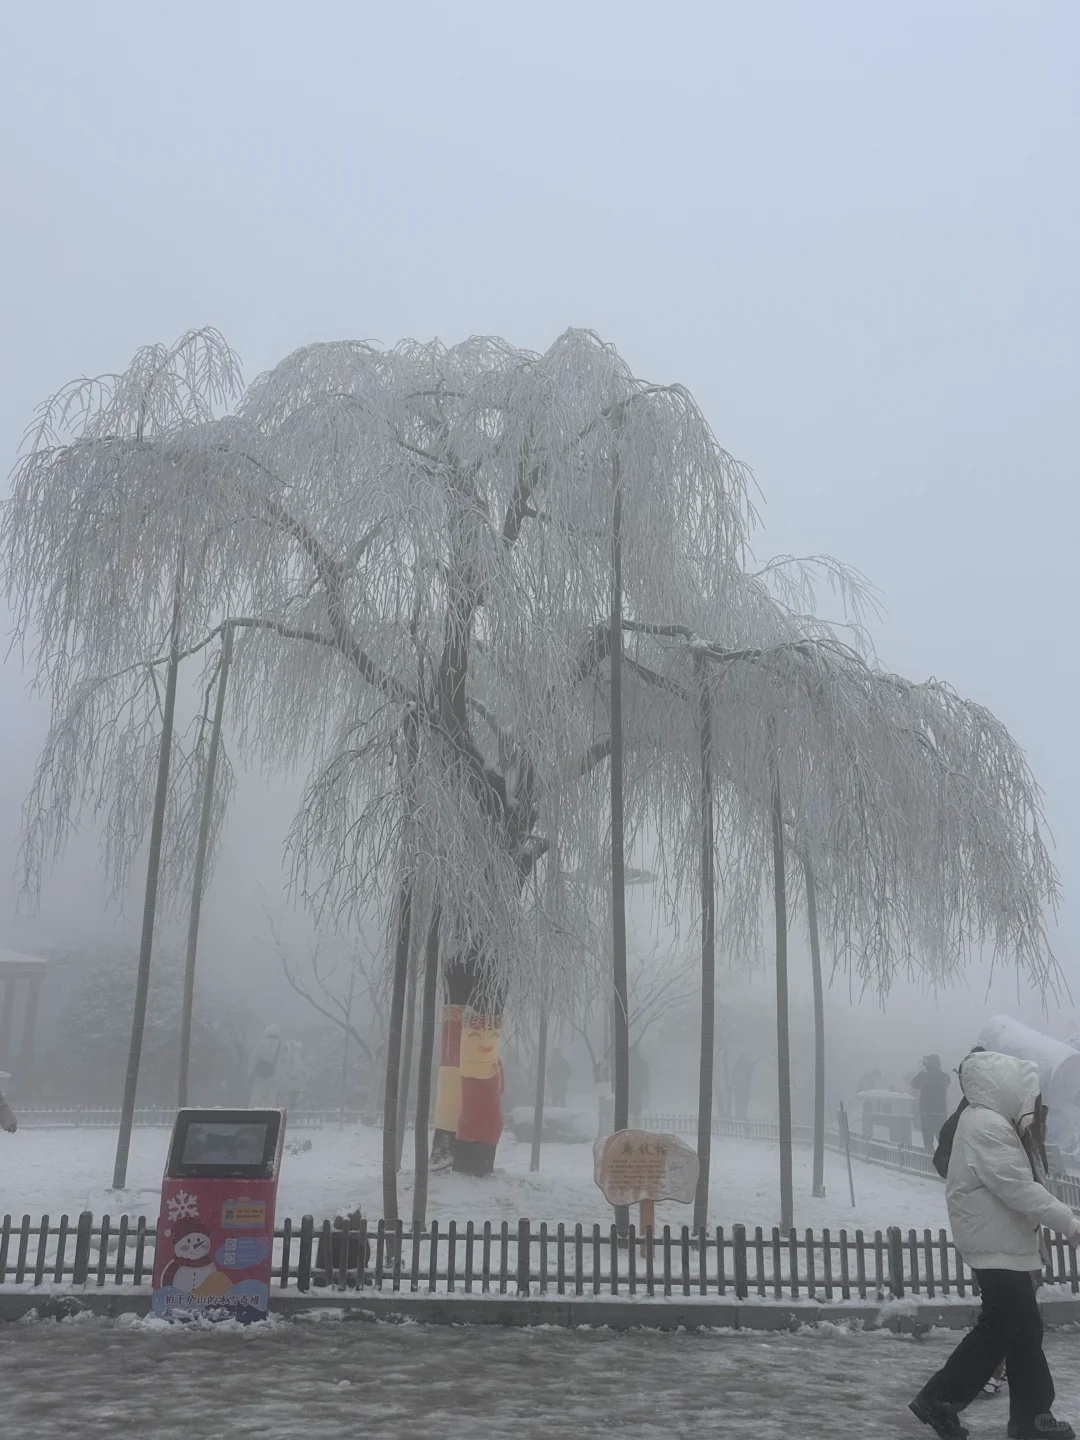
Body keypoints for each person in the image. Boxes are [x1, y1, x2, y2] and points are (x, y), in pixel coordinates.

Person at [909, 1048, 1080, 1440]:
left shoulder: (986, 1120)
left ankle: (1029, 1419)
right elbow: (1018, 1188)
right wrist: (1070, 1224)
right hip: (997, 1246)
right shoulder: (985, 1125)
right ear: (1005, 1086)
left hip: (1001, 1243)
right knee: (1003, 1329)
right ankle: (941, 1399)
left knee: (1019, 1331)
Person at [912, 1053, 951, 1152]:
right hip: (939, 1113)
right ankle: (943, 1159)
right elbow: (914, 1084)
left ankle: (929, 1160)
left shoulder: (926, 1075)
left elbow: (914, 1083)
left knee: (928, 1143)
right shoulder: (943, 1076)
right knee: (942, 1142)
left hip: (927, 1114)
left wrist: (923, 1072)